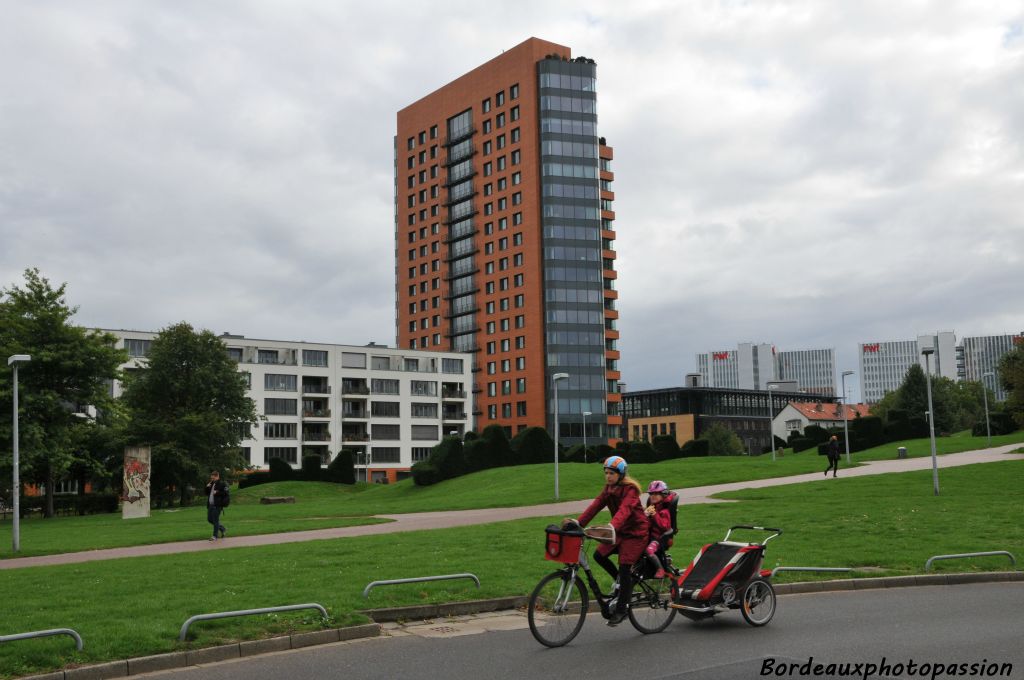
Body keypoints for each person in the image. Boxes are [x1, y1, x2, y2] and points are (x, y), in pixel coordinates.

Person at [568, 456, 649, 626]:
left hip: (636, 533)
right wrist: (579, 523)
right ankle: (621, 582)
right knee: (599, 555)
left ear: (621, 474)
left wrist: (612, 526)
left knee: (625, 566)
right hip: (619, 531)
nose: (608, 476)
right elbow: (596, 505)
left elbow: (624, 510)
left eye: (611, 473)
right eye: (606, 473)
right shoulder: (608, 489)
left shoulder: (630, 490)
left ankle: (621, 609)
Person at [643, 480, 678, 579]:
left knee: (649, 550)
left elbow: (664, 527)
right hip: (649, 536)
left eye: (656, 494)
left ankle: (660, 569)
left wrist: (654, 515)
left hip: (659, 538)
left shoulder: (664, 511)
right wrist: (645, 515)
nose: (653, 496)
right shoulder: (652, 508)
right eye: (651, 494)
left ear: (663, 495)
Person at [205, 470, 229, 540]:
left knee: (215, 520)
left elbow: (226, 493)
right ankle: (222, 528)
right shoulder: (211, 484)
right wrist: (207, 487)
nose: (212, 480)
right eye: (211, 478)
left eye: (213, 478)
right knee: (209, 520)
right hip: (210, 505)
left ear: (217, 476)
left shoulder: (222, 484)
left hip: (217, 505)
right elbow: (206, 494)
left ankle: (214, 536)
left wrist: (217, 492)